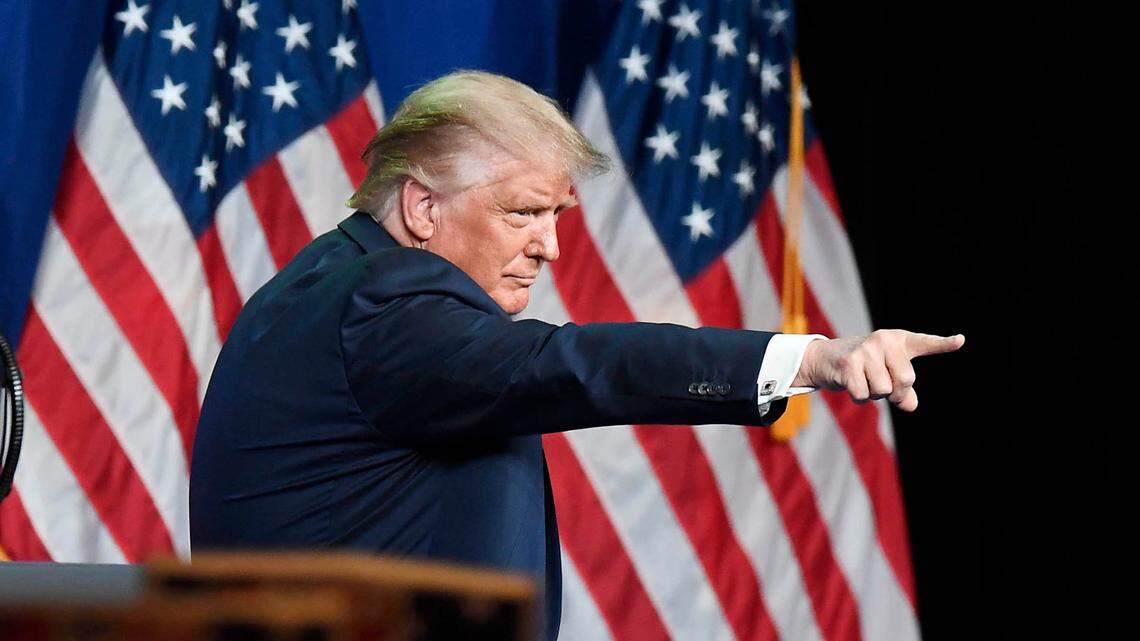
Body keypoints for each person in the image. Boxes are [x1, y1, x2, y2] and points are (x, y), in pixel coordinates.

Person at [189, 71, 963, 640]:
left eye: (555, 214)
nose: (550, 247)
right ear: (423, 206)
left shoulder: (322, 285)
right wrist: (812, 359)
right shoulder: (385, 300)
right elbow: (570, 364)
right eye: (524, 212)